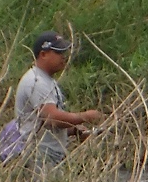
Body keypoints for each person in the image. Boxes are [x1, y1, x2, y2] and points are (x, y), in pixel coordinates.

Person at [14, 31, 104, 167]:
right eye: (58, 53)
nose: (63, 57)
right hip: (39, 157)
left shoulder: (48, 81)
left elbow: (43, 124)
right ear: (43, 55)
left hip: (50, 156)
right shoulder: (35, 81)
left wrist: (75, 130)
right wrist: (86, 116)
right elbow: (52, 118)